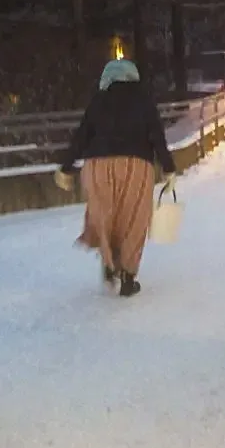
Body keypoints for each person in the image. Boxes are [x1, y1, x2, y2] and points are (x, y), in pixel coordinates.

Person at [54, 59, 176, 298]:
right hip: (136, 166)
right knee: (133, 218)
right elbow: (156, 137)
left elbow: (82, 136)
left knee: (105, 215)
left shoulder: (98, 101)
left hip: (98, 166)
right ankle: (128, 277)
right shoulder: (143, 101)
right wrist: (168, 168)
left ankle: (110, 262)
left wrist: (66, 167)